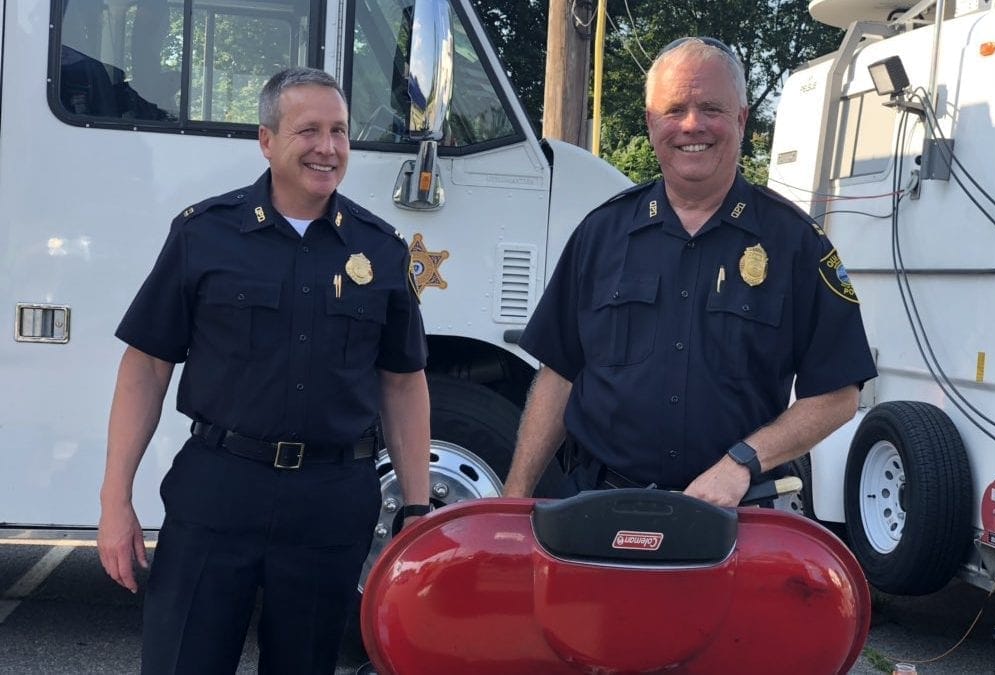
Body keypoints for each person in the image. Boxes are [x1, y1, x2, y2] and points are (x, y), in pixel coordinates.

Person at [97, 67, 431, 673]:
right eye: (308, 130)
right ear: (267, 140)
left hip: (328, 504)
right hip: (219, 489)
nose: (327, 148)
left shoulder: (380, 250)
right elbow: (146, 366)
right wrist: (114, 501)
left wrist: (415, 508)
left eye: (339, 132)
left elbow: (403, 383)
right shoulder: (205, 234)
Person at [502, 37, 877, 507]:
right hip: (601, 508)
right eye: (674, 109)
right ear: (651, 122)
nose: (692, 125)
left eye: (711, 108)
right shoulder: (601, 235)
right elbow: (559, 374)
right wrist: (515, 496)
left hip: (738, 517)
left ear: (741, 119)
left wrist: (743, 460)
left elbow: (838, 393)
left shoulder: (795, 243)